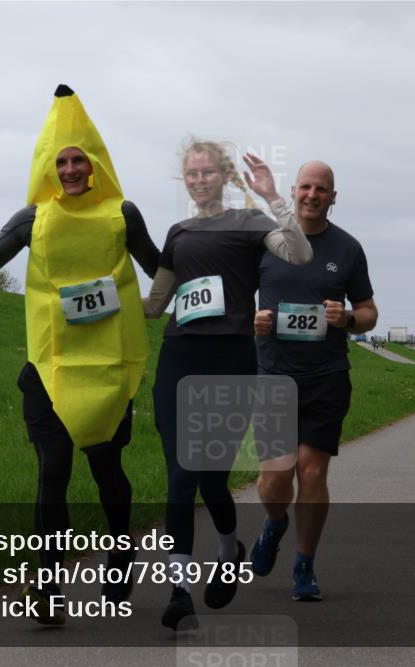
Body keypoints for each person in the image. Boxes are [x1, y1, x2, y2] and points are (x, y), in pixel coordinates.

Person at [0, 85, 159, 624]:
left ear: (94, 166)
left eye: (78, 160)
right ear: (50, 167)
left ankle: (120, 555)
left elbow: (159, 267)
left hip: (107, 374)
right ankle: (46, 588)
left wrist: (175, 295)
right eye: (61, 161)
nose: (70, 169)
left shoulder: (123, 214)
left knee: (108, 470)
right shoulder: (33, 218)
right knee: (53, 471)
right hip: (48, 371)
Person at [143, 139, 312, 630]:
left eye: (207, 173)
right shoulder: (178, 232)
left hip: (231, 359)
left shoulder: (250, 221)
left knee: (210, 477)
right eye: (191, 174)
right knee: (179, 475)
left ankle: (227, 550)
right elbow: (155, 305)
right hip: (179, 357)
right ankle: (179, 591)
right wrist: (98, 295)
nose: (199, 181)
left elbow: (299, 254)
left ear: (224, 176)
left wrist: (273, 199)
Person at [251, 160, 377, 602]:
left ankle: (304, 564)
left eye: (321, 189)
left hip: (326, 375)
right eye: (306, 186)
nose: (312, 194)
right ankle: (275, 523)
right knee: (274, 479)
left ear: (333, 197)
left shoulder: (347, 249)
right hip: (274, 374)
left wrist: (348, 318)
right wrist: (254, 321)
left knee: (311, 469)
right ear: (294, 190)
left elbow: (369, 312)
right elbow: (234, 297)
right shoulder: (266, 243)